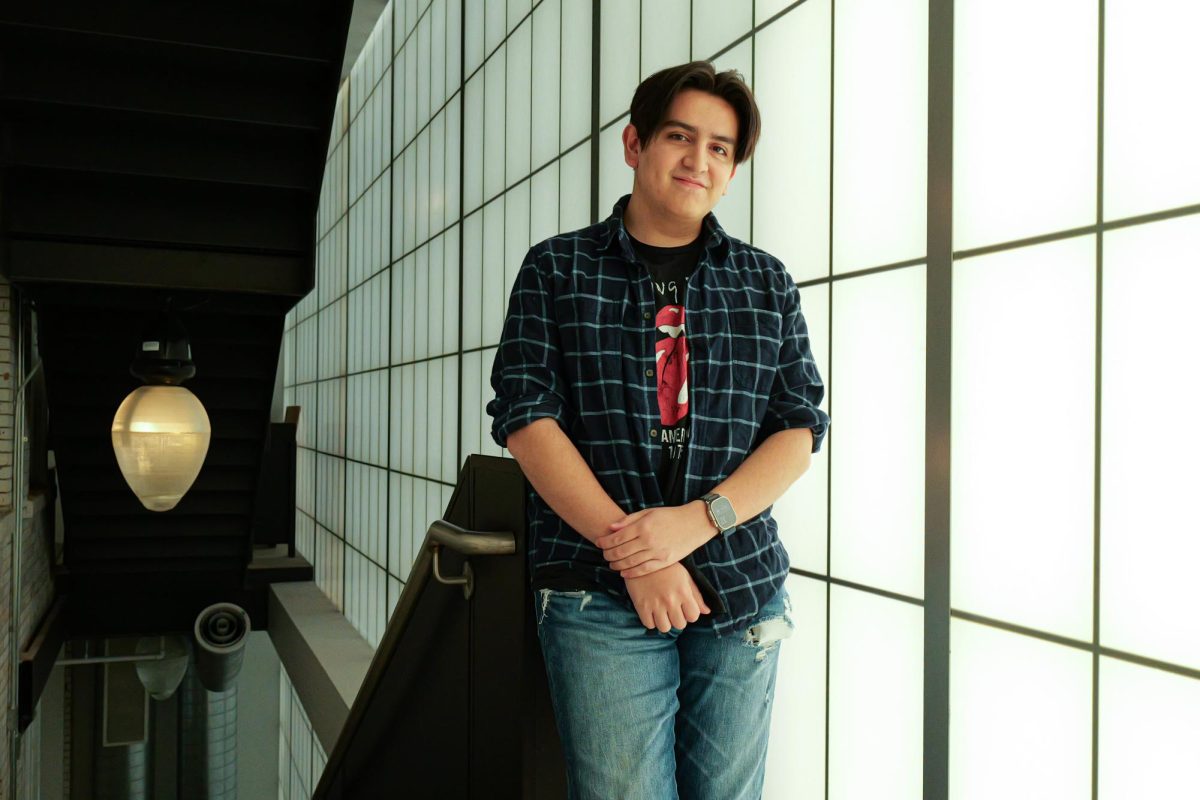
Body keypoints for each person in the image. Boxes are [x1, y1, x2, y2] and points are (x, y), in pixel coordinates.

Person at [487, 60, 830, 800]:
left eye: (720, 148)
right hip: (597, 590)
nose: (697, 160)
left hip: (740, 584)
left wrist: (697, 523)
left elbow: (799, 427)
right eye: (680, 137)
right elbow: (525, 417)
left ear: (733, 170)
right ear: (634, 144)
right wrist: (640, 556)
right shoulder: (557, 270)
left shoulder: (764, 281)